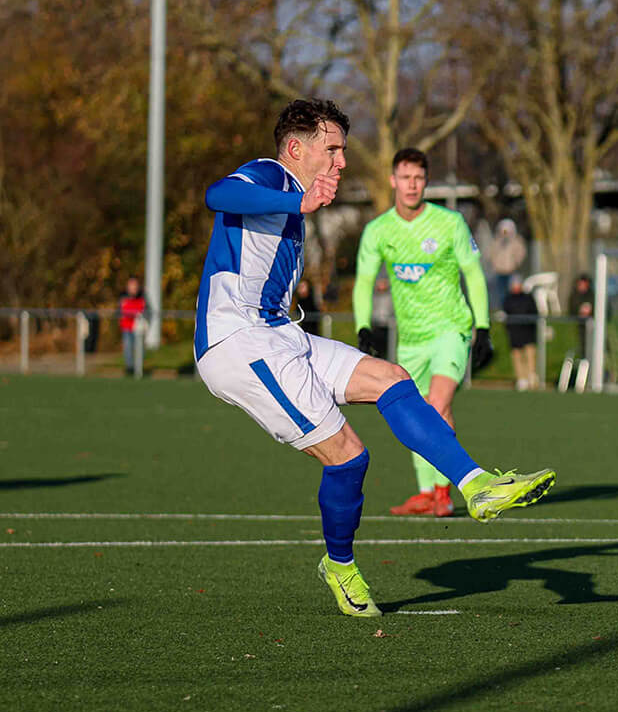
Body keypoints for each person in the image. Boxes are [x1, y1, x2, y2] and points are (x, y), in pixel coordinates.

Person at [194, 98, 554, 618]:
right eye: (332, 149)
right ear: (296, 149)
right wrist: (298, 206)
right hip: (239, 342)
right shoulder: (270, 174)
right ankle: (339, 565)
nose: (341, 161)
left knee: (390, 377)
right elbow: (217, 194)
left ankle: (477, 486)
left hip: (280, 334)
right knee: (349, 455)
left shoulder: (295, 197)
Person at [354, 147, 497, 518]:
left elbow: (474, 275)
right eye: (405, 177)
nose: (412, 185)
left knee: (437, 404)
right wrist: (363, 326)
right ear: (393, 181)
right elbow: (365, 281)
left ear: (426, 181)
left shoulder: (450, 224)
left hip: (451, 328)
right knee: (412, 413)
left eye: (418, 178)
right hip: (411, 339)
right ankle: (426, 492)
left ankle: (443, 490)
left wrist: (481, 326)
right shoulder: (378, 231)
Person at [502, 274, 541, 391]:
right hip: (514, 333)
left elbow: (534, 313)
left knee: (530, 355)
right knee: (517, 357)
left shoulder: (528, 298)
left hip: (528, 332)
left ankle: (532, 378)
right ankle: (521, 379)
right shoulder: (508, 299)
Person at [485, 218, 527, 313]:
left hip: (512, 271)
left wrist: (516, 263)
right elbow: (490, 254)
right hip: (499, 271)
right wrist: (495, 263)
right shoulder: (496, 241)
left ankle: (513, 310)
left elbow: (521, 253)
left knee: (512, 292)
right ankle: (503, 310)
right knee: (501, 292)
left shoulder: (517, 241)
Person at [117, 276, 145, 376]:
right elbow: (119, 312)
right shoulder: (123, 297)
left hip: (138, 329)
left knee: (139, 348)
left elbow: (146, 311)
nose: (133, 288)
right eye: (131, 285)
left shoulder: (142, 297)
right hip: (127, 328)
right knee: (128, 347)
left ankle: (139, 368)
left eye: (135, 285)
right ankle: (130, 369)